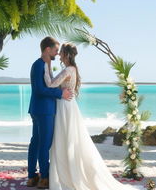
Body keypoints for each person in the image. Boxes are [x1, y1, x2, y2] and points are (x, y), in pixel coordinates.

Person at [44, 42, 141, 190]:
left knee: (64, 139)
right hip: (69, 106)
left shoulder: (68, 70)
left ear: (66, 54)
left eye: (61, 52)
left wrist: (47, 67)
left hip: (65, 106)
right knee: (68, 139)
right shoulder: (73, 69)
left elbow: (50, 84)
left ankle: (67, 176)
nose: (59, 55)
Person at [27, 37, 72, 189]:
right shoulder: (39, 65)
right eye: (55, 50)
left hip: (38, 108)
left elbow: (48, 85)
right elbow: (39, 89)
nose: (57, 53)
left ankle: (32, 176)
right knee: (43, 145)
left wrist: (58, 90)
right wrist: (60, 94)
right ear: (47, 49)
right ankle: (44, 178)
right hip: (44, 110)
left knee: (36, 143)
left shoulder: (45, 65)